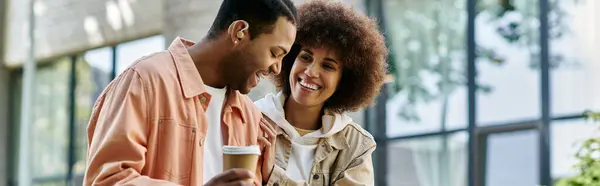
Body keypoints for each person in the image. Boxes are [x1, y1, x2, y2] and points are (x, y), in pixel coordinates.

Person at [83, 0, 297, 185]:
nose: (277, 68)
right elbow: (106, 180)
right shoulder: (145, 81)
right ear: (238, 32)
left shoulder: (249, 116)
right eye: (274, 53)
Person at [255, 0, 388, 185]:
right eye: (305, 57)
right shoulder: (252, 120)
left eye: (327, 66)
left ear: (344, 80)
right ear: (290, 58)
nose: (310, 71)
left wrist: (273, 175)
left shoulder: (356, 145)